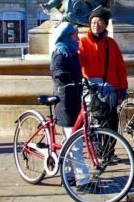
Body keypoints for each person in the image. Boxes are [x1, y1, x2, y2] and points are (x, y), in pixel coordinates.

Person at [51, 22, 90, 185]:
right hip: (66, 101)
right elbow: (56, 71)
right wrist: (62, 76)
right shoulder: (60, 52)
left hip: (75, 99)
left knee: (71, 139)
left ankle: (68, 173)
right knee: (75, 142)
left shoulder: (74, 53)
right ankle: (83, 179)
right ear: (67, 36)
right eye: (75, 35)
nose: (78, 37)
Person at [79, 7, 128, 131]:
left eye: (100, 21)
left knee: (112, 123)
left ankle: (109, 150)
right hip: (93, 91)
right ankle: (97, 149)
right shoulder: (83, 42)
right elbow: (78, 62)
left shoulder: (111, 43)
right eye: (93, 22)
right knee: (95, 124)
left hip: (111, 91)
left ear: (105, 24)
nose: (96, 24)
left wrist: (123, 88)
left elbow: (120, 67)